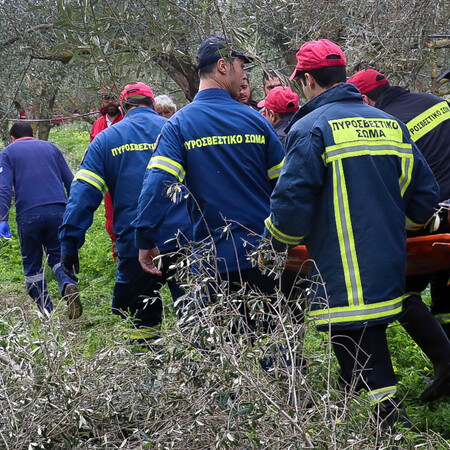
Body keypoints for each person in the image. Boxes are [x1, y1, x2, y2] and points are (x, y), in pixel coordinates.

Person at [263, 39, 439, 428]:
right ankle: (376, 416)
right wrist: (401, 230)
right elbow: (423, 194)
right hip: (389, 259)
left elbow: (291, 203)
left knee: (355, 340)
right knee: (365, 340)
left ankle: (391, 425)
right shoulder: (389, 123)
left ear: (307, 80)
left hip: (341, 264)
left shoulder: (310, 128)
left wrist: (275, 246)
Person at [132, 36, 285, 334]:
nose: (244, 76)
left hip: (213, 262)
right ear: (223, 66)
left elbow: (159, 182)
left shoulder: (179, 124)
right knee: (275, 347)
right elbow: (286, 187)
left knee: (221, 354)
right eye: (241, 67)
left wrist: (145, 237)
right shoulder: (257, 121)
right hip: (264, 255)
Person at [348, 68, 450, 401]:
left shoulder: (384, 125)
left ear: (365, 99)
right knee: (445, 291)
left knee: (401, 289)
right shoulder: (438, 103)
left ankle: (446, 362)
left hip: (435, 218)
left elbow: (400, 185)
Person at [59, 82, 190, 341]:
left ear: (122, 107)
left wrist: (69, 242)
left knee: (140, 318)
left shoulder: (106, 140)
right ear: (153, 105)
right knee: (194, 314)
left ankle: (148, 369)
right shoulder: (178, 130)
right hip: (183, 239)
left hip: (133, 244)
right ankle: (203, 370)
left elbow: (83, 193)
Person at [0, 123, 81, 318]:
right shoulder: (51, 147)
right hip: (58, 210)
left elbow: (3, 188)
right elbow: (71, 180)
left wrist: (2, 217)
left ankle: (47, 313)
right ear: (33, 134)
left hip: (29, 213)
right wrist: (75, 209)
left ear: (12, 138)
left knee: (33, 265)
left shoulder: (8, 153)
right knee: (56, 256)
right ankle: (68, 284)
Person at [88, 86, 124, 261]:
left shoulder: (127, 119)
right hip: (107, 181)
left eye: (114, 98)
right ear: (102, 101)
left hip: (127, 177)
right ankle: (118, 256)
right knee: (111, 218)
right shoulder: (98, 124)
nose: (111, 102)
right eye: (107, 98)